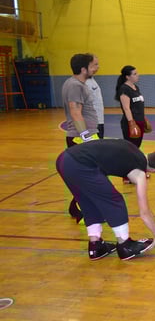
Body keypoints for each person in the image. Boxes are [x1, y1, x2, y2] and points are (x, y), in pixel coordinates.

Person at [55, 139, 155, 261]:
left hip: (64, 160)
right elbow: (144, 212)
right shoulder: (139, 173)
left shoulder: (132, 148)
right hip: (80, 164)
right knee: (115, 201)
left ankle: (96, 246)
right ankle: (125, 245)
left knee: (88, 201)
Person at [61, 53, 100, 223]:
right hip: (80, 138)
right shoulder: (75, 86)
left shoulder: (76, 84)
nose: (97, 68)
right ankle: (82, 212)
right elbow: (75, 111)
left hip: (84, 136)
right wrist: (85, 137)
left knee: (89, 176)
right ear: (84, 69)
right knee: (88, 177)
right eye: (94, 65)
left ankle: (76, 207)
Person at [115, 65, 152, 183]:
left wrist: (143, 119)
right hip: (131, 123)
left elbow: (138, 106)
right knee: (130, 150)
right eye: (135, 74)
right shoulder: (124, 89)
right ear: (127, 77)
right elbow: (126, 108)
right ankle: (126, 176)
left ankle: (136, 172)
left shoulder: (136, 88)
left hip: (139, 121)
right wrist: (132, 124)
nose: (137, 75)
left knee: (136, 149)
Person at [85, 55, 105, 138]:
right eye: (95, 64)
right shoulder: (83, 82)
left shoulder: (91, 79)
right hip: (92, 122)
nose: (98, 66)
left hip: (99, 120)